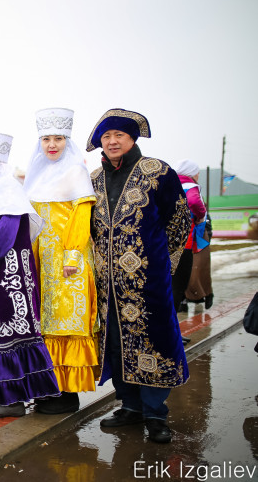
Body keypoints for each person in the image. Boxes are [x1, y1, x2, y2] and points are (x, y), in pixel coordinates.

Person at [86, 108, 191, 443]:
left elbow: (179, 220)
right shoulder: (94, 179)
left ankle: (155, 414)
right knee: (116, 342)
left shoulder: (157, 171)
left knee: (153, 339)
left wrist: (162, 264)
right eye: (106, 136)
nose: (112, 141)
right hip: (108, 283)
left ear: (132, 138)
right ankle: (130, 406)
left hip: (150, 280)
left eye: (119, 135)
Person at [0, 131, 60, 418]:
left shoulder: (8, 192)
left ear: (1, 165)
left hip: (9, 279)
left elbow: (4, 236)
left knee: (6, 336)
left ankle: (11, 402)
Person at [24, 108, 99, 415]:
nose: (52, 145)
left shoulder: (76, 172)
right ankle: (48, 387)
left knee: (65, 323)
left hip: (68, 263)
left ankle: (67, 393)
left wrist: (72, 256)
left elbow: (81, 218)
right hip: (40, 261)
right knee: (44, 324)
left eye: (58, 138)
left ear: (67, 141)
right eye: (46, 139)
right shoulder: (35, 174)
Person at [172, 159, 212, 312]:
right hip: (186, 240)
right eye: (197, 172)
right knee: (181, 281)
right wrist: (200, 216)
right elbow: (194, 202)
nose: (198, 175)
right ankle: (173, 324)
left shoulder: (169, 184)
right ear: (191, 173)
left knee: (171, 281)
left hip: (167, 240)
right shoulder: (190, 186)